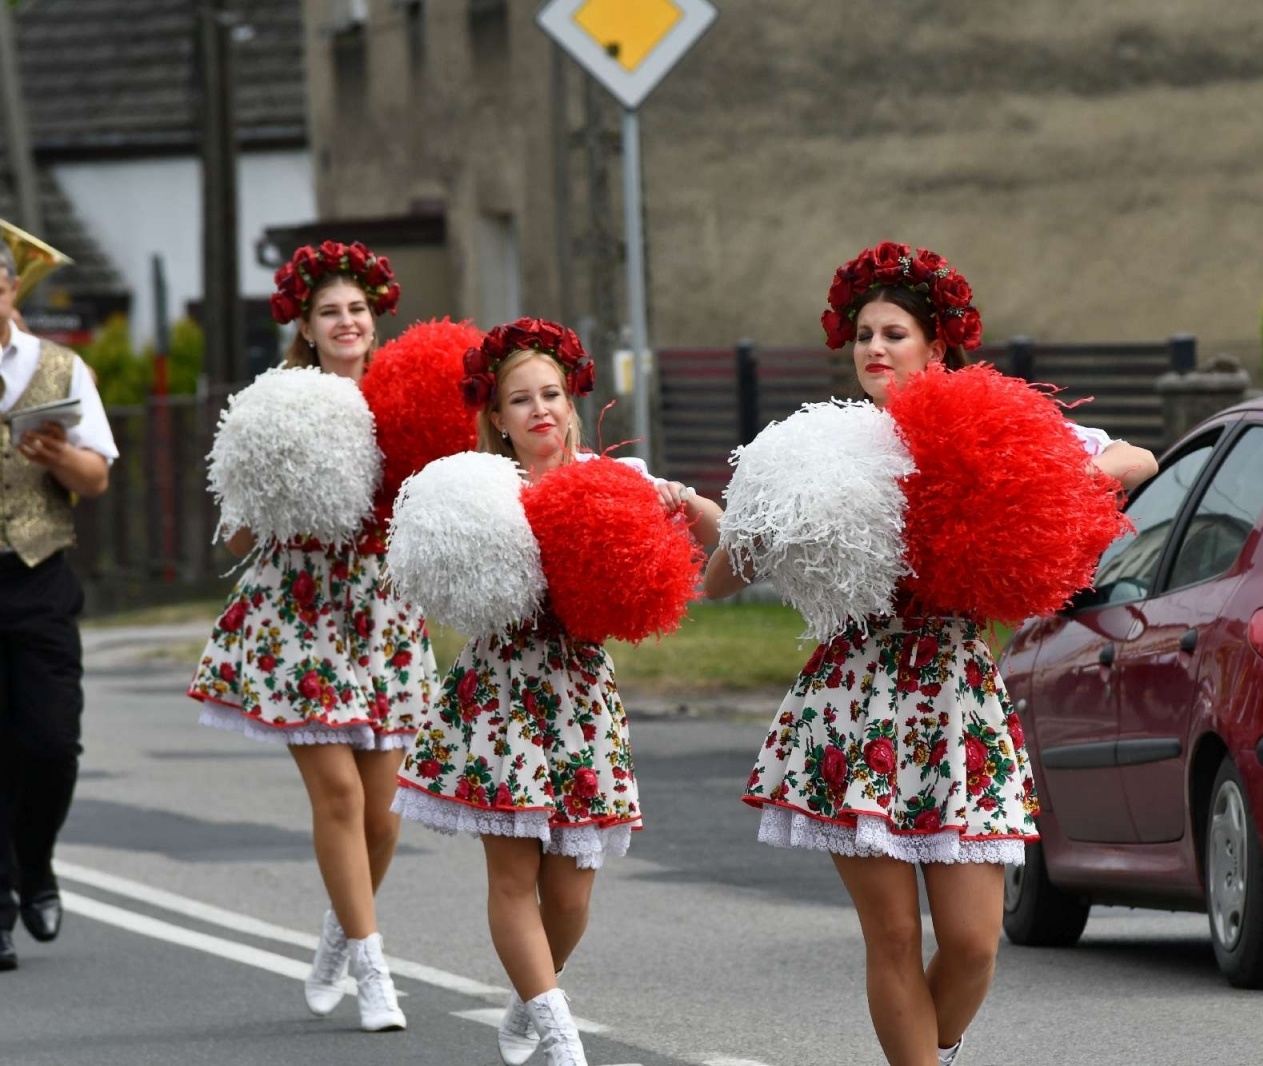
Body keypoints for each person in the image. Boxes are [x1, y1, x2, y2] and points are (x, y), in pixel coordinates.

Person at [703, 243, 1156, 1066]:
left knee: (976, 942)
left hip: (957, 699)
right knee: (893, 936)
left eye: (895, 333)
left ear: (936, 349)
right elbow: (722, 581)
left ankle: (933, 1051)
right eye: (864, 334)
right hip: (853, 699)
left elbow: (1138, 459)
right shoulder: (826, 451)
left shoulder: (992, 427)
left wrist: (1048, 477)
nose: (874, 348)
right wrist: (738, 518)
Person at [391, 318, 722, 1066]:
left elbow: (719, 538)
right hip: (501, 693)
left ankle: (528, 997)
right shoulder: (480, 493)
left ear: (573, 404)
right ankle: (560, 1031)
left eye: (552, 393)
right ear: (498, 422)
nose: (540, 409)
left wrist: (682, 499)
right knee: (512, 874)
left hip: (581, 698)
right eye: (520, 400)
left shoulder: (619, 482)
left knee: (571, 897)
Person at [187, 241, 428, 1031]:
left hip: (385, 614)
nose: (346, 321)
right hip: (299, 612)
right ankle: (372, 967)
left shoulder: (403, 396)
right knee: (339, 794)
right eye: (330, 311)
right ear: (306, 322)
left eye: (357, 308)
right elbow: (231, 536)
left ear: (374, 315)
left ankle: (338, 933)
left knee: (385, 813)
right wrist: (274, 496)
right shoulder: (275, 400)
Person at [0, 239, 118, 973]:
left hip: (37, 572)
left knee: (50, 744)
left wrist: (55, 456)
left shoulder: (59, 367)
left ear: (10, 290)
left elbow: (96, 475)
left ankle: (35, 860)